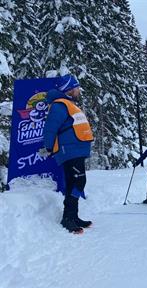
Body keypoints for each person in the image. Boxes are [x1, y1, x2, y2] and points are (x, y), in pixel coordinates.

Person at [41, 74, 93, 234]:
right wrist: (48, 147)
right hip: (68, 150)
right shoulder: (59, 105)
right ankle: (68, 218)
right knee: (78, 182)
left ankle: (73, 216)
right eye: (76, 87)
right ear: (69, 90)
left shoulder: (69, 104)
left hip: (75, 150)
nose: (78, 90)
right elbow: (50, 127)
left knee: (74, 183)